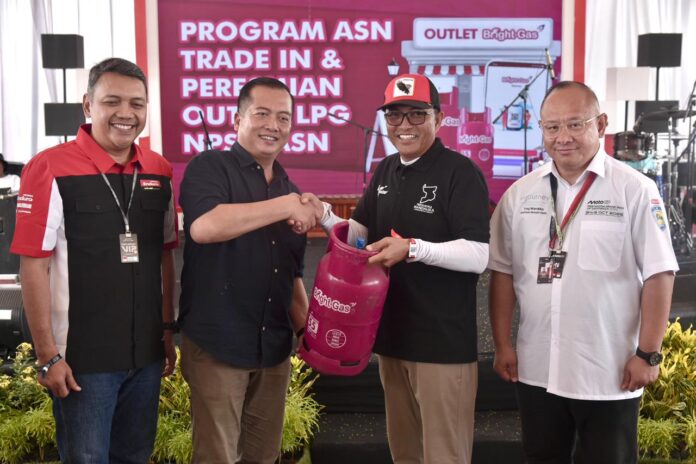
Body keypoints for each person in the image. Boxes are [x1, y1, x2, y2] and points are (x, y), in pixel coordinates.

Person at [488, 81, 678, 463]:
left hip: (608, 371)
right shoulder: (519, 195)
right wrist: (502, 344)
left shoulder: (635, 190)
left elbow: (660, 274)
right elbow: (502, 273)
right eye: (552, 127)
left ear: (601, 124)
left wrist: (648, 354)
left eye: (575, 124)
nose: (563, 137)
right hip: (537, 369)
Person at [314, 73, 490, 463]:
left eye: (416, 114)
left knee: (444, 456)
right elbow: (362, 235)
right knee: (404, 453)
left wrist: (413, 249)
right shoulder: (386, 169)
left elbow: (479, 254)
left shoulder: (460, 173)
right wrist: (323, 215)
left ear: (438, 119)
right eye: (394, 116)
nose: (404, 125)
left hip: (441, 344)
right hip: (392, 339)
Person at [10, 57, 178, 463]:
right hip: (82, 362)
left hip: (146, 356)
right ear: (88, 105)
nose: (126, 113)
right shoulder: (50, 167)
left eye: (137, 103)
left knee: (135, 457)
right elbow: (33, 266)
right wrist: (47, 355)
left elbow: (165, 257)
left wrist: (166, 331)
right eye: (112, 101)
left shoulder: (159, 169)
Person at [178, 77, 322, 463]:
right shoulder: (210, 167)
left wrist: (307, 332)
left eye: (283, 117)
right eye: (261, 114)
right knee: (217, 457)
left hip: (273, 348)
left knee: (264, 456)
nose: (273, 125)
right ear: (237, 119)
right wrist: (286, 205)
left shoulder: (289, 188)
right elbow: (205, 226)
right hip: (218, 344)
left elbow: (291, 275)